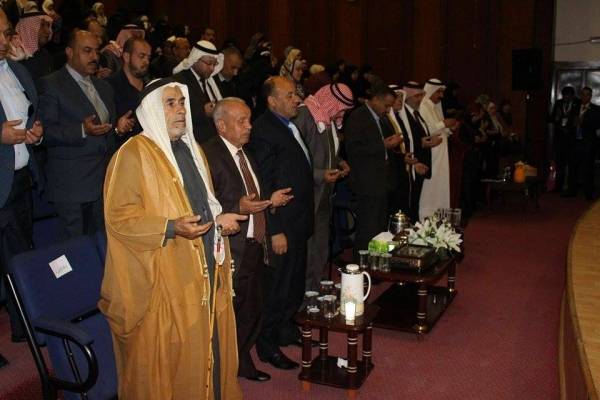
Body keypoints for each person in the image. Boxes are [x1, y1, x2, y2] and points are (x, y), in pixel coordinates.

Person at [99, 79, 245, 399]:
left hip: (203, 264)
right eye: (170, 103)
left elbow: (202, 205)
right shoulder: (132, 154)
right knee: (172, 360)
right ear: (153, 109)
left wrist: (218, 221)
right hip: (164, 274)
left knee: (208, 345)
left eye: (182, 103)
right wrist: (169, 227)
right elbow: (119, 218)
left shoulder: (193, 149)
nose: (180, 110)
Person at [203, 97, 293, 382]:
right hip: (232, 248)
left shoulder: (245, 153)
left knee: (252, 310)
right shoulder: (208, 155)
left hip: (255, 245)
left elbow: (252, 196)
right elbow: (203, 203)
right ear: (221, 125)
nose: (249, 126)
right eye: (241, 121)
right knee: (234, 312)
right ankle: (229, 366)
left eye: (249, 120)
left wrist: (269, 201)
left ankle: (239, 360)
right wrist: (236, 207)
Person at [247, 76, 314, 369]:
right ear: (272, 101)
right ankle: (267, 345)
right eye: (289, 96)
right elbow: (264, 184)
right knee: (277, 288)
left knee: (293, 283)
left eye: (295, 94)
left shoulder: (287, 125)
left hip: (298, 221)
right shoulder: (264, 130)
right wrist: (275, 231)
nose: (296, 99)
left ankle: (286, 329)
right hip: (282, 226)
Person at [39, 30, 133, 239]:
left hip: (102, 183)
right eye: (87, 51)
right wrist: (81, 130)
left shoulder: (104, 87)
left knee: (102, 243)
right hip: (72, 186)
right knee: (76, 249)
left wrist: (117, 130)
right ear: (69, 52)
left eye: (96, 51)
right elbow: (44, 132)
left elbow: (104, 135)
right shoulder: (52, 84)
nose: (94, 57)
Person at [0, 8, 44, 346]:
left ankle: (23, 326)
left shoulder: (17, 70)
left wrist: (35, 134)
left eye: (6, 32)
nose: (6, 40)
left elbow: (32, 115)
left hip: (20, 180)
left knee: (21, 259)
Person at [293, 83, 353, 292]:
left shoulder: (327, 119)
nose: (342, 114)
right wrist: (320, 175)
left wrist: (339, 162)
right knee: (307, 250)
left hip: (325, 196)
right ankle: (303, 297)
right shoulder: (304, 116)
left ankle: (315, 291)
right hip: (308, 196)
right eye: (341, 109)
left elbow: (327, 152)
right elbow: (293, 160)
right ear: (331, 102)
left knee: (320, 249)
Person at [344, 84, 401, 254]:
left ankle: (376, 260)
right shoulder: (358, 117)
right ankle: (362, 263)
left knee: (379, 227)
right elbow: (353, 149)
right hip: (366, 182)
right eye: (386, 105)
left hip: (382, 181)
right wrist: (383, 145)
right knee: (367, 228)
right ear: (375, 99)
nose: (388, 110)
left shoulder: (381, 117)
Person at [418, 79, 457, 220]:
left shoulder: (434, 107)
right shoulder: (423, 106)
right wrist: (444, 123)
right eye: (438, 92)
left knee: (440, 184)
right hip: (432, 153)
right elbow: (427, 130)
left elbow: (440, 129)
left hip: (441, 155)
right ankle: (427, 215)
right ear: (431, 91)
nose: (441, 95)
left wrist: (449, 128)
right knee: (431, 185)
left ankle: (439, 216)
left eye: (442, 92)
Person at [173, 40, 224, 143]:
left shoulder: (209, 81)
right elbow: (175, 113)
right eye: (209, 63)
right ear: (195, 59)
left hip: (210, 139)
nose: (212, 68)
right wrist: (203, 112)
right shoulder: (180, 81)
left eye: (214, 64)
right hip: (191, 140)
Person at [106, 37, 151, 147]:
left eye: (148, 57)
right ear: (126, 57)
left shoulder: (151, 87)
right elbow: (103, 133)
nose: (146, 61)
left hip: (150, 149)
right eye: (141, 56)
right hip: (121, 151)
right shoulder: (109, 87)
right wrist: (118, 130)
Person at [403, 81, 438, 222]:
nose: (420, 100)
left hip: (421, 163)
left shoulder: (415, 113)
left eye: (421, 96)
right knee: (411, 201)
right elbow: (406, 138)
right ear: (407, 98)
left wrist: (427, 140)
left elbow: (417, 135)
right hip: (413, 163)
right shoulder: (404, 114)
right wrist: (422, 143)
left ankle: (415, 224)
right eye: (416, 96)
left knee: (416, 200)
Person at [564, 86, 600, 200]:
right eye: (583, 94)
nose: (585, 97)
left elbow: (597, 125)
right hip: (575, 143)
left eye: (587, 94)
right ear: (580, 95)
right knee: (573, 168)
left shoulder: (596, 109)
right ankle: (571, 191)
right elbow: (568, 123)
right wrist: (572, 123)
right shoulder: (575, 108)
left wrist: (583, 122)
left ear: (590, 96)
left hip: (588, 144)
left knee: (588, 169)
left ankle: (588, 193)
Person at [15, 11, 53, 90]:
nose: (48, 31)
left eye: (48, 25)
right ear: (28, 29)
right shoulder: (17, 58)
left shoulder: (45, 54)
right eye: (42, 25)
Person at [551, 86, 579, 193]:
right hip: (560, 139)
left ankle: (571, 188)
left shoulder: (578, 103)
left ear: (572, 96)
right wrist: (557, 117)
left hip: (572, 140)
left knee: (572, 165)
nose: (566, 98)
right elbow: (552, 118)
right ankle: (558, 187)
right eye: (564, 96)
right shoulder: (558, 103)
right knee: (560, 164)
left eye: (568, 96)